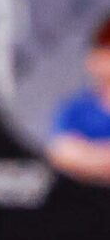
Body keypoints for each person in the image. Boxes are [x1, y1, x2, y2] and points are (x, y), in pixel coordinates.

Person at [47, 17, 110, 185]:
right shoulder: (76, 109)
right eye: (106, 50)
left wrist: (90, 154)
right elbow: (63, 153)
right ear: (92, 59)